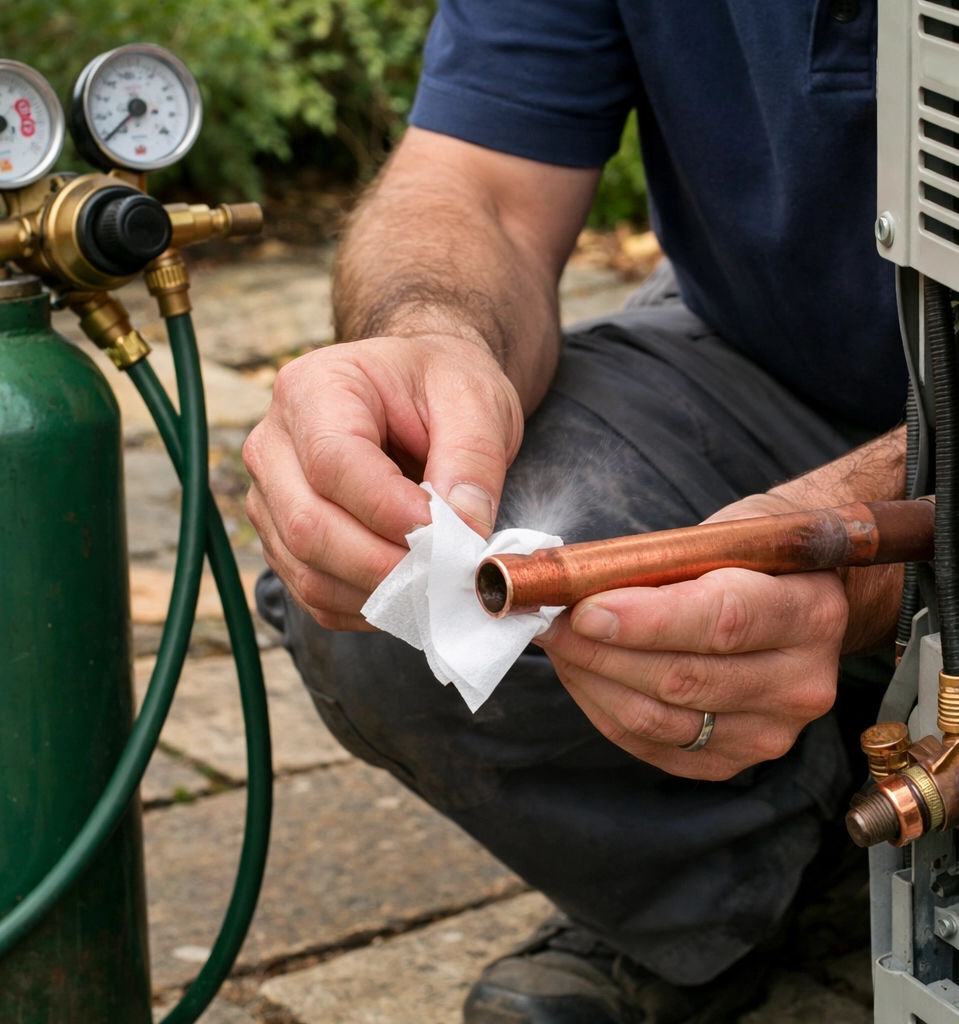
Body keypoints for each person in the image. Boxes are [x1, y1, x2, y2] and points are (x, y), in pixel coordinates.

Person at [244, 2, 908, 1020]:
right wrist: (431, 337)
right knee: (395, 614)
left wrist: (871, 542)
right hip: (768, 375)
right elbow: (481, 185)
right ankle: (753, 871)